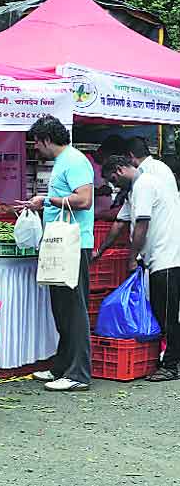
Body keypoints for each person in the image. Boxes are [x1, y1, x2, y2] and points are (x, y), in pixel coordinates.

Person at [18, 116, 94, 392]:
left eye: (36, 143)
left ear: (46, 140)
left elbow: (84, 200)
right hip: (61, 244)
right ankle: (62, 366)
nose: (35, 149)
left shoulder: (73, 161)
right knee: (62, 308)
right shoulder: (64, 162)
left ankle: (79, 373)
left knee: (74, 309)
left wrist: (46, 200)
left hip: (74, 245)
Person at [102, 155, 180, 381]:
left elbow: (142, 224)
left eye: (112, 178)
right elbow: (120, 222)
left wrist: (132, 256)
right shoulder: (135, 188)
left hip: (166, 258)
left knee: (167, 315)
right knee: (162, 311)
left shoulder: (145, 185)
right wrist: (101, 250)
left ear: (119, 169)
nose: (112, 184)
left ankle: (171, 365)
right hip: (157, 259)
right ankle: (169, 361)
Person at [91, 135, 126, 218]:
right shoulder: (86, 163)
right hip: (92, 218)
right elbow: (77, 191)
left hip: (104, 216)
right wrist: (99, 191)